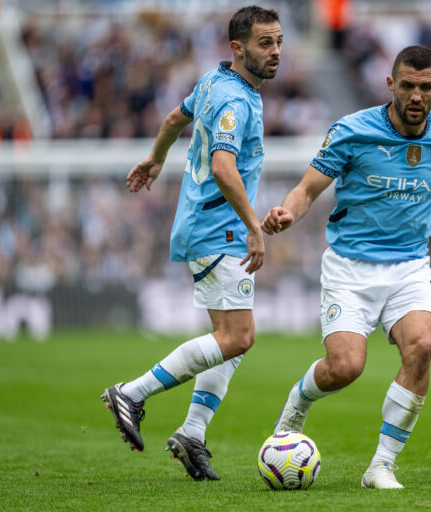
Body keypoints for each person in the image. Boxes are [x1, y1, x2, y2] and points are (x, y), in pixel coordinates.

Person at [261, 45, 431, 489]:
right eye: (406, 86)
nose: (415, 95)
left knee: (422, 347)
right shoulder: (352, 131)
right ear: (390, 84)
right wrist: (288, 213)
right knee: (345, 368)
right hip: (350, 268)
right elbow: (308, 188)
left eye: (425, 88)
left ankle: (381, 465)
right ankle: (298, 402)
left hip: (409, 266)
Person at [101, 5, 282, 481]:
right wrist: (253, 226)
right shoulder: (235, 101)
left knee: (233, 341)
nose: (276, 51)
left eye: (279, 41)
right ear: (237, 49)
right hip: (215, 229)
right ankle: (132, 393)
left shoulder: (214, 83)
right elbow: (223, 166)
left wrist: (156, 158)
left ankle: (193, 434)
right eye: (266, 43)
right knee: (238, 337)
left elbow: (172, 118)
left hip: (205, 225)